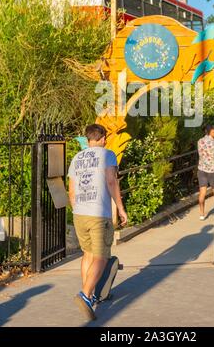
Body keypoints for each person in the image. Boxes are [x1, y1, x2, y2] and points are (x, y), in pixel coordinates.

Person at [68, 124, 127, 321]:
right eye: (105, 138)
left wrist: (77, 209)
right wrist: (120, 208)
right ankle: (85, 295)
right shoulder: (107, 154)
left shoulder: (77, 158)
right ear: (102, 138)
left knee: (88, 254)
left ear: (88, 138)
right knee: (101, 256)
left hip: (79, 213)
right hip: (97, 213)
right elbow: (111, 181)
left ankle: (90, 294)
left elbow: (72, 190)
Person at [197, 124, 214, 220]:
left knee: (202, 192)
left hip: (201, 169)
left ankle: (201, 213)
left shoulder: (200, 141)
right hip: (212, 169)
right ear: (211, 131)